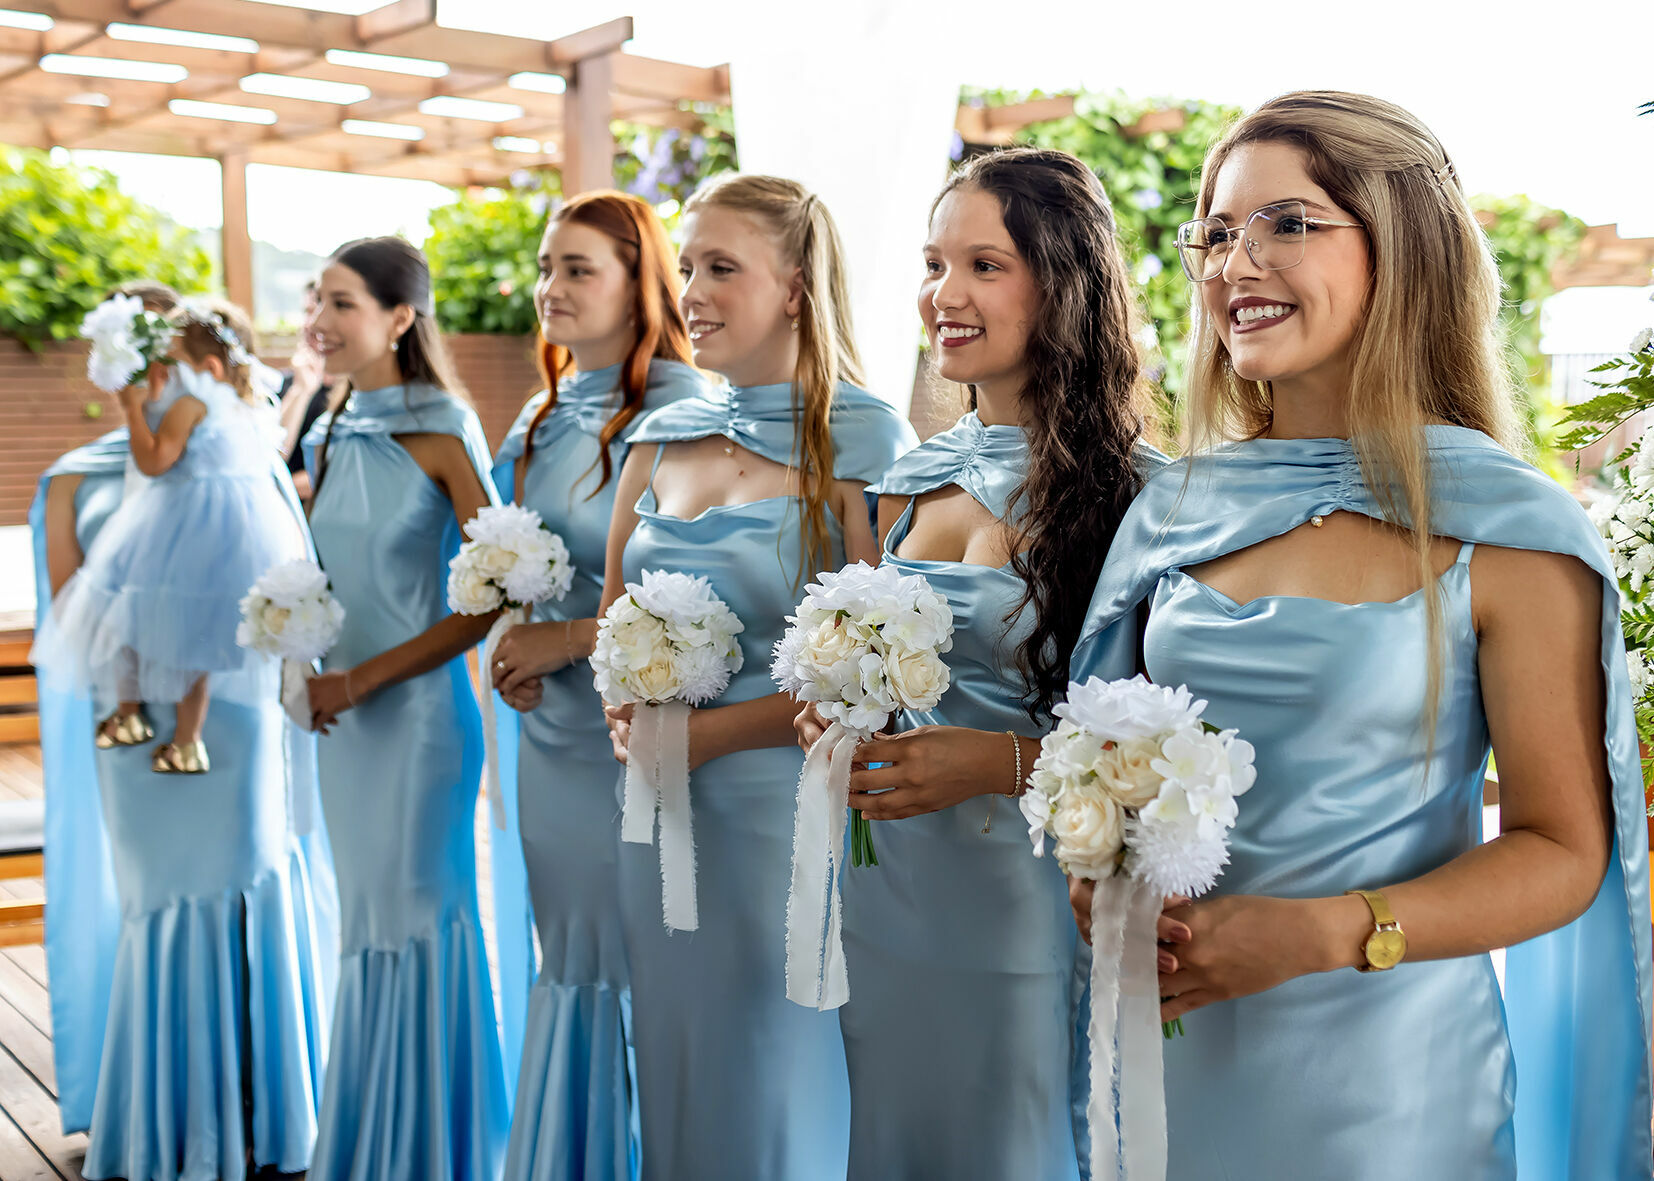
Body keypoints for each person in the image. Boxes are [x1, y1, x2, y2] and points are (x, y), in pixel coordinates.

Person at [1069, 91, 1652, 1178]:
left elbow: (1565, 852)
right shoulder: (1174, 509)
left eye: (1287, 223)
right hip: (1172, 1055)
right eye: (1216, 232)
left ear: (1406, 246)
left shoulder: (1510, 526)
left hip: (1389, 1084)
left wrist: (1329, 930)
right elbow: (1109, 760)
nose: (1235, 261)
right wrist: (1097, 864)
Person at [795, 147, 1162, 1180]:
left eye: (983, 266)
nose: (941, 295)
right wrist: (835, 713)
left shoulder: (1143, 494)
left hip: (1026, 897)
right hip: (889, 886)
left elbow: (1155, 740)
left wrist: (995, 762)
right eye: (931, 263)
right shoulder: (914, 478)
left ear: (1064, 283)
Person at [599, 174, 915, 1180]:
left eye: (719, 267)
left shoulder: (866, 442)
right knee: (679, 1062)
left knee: (778, 1074)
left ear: (793, 286)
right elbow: (615, 618)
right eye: (687, 266)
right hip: (656, 818)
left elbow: (875, 669)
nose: (690, 288)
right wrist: (628, 712)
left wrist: (701, 737)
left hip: (790, 824)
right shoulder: (655, 439)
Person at [32, 294, 332, 1180]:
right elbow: (69, 613)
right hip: (126, 732)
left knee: (248, 872)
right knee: (153, 899)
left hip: (234, 716)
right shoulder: (76, 477)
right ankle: (158, 1113)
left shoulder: (235, 453)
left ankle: (262, 1108)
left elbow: (279, 583)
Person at [488, 190, 708, 1181]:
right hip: (547, 745)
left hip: (639, 736)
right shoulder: (535, 421)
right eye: (546, 267)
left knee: (636, 960)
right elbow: (510, 567)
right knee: (565, 953)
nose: (551, 288)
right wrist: (514, 646)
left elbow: (703, 597)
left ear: (639, 281)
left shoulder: (683, 416)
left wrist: (565, 642)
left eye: (577, 267)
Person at [301, 236, 509, 1181]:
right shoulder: (326, 424)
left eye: (341, 302)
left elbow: (495, 592)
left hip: (418, 720)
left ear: (399, 317)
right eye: (315, 301)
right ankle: (366, 1145)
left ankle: (433, 1150)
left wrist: (363, 679)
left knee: (420, 914)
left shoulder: (444, 425)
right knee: (364, 921)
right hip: (339, 725)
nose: (319, 321)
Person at [40, 300, 306, 773]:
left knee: (126, 606)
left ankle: (127, 715)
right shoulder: (244, 406)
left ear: (206, 366)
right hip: (235, 533)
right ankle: (187, 743)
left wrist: (133, 408)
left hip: (181, 522)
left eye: (170, 362)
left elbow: (154, 462)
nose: (161, 373)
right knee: (196, 642)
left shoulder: (190, 404)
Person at [277, 279, 334, 499]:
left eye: (317, 312)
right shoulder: (284, 384)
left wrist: (274, 489)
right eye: (306, 312)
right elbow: (271, 453)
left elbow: (328, 474)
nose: (310, 323)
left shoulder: (350, 391)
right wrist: (301, 390)